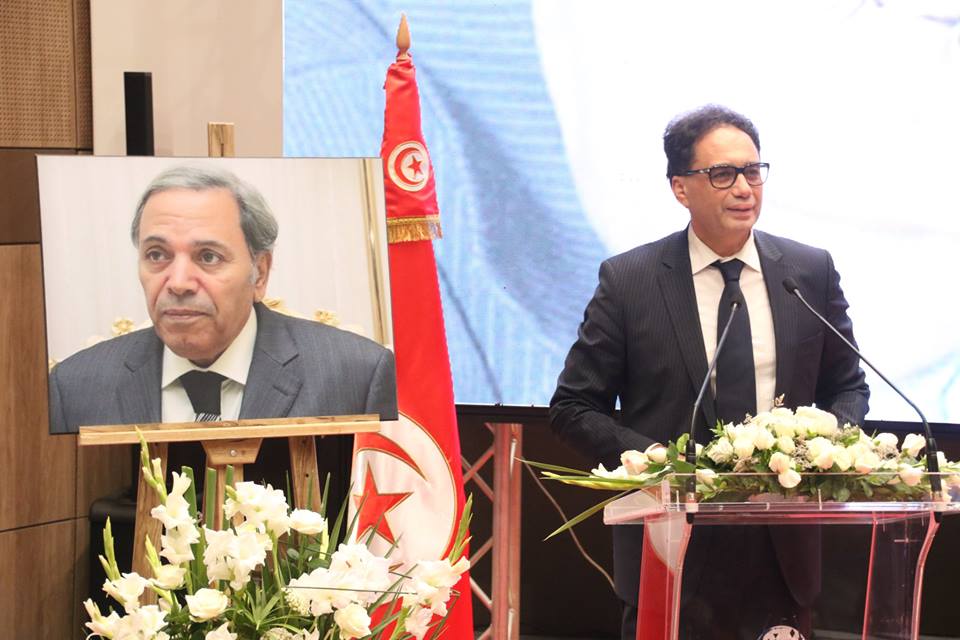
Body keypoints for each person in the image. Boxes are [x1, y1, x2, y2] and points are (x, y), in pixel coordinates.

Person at [549, 105, 869, 639]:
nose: (744, 188)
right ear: (680, 187)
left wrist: (824, 448)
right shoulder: (631, 281)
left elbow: (847, 386)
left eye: (753, 171)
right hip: (671, 546)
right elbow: (573, 407)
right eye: (723, 174)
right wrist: (657, 463)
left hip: (782, 550)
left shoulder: (808, 272)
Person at [48, 164, 397, 440]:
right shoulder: (76, 386)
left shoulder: (356, 375)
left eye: (208, 257)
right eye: (156, 255)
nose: (178, 283)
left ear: (259, 273)